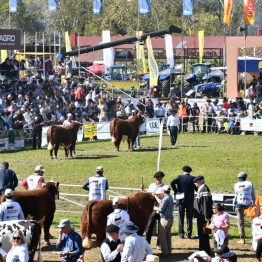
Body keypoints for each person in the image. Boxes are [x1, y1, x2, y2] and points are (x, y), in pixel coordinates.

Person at [170, 165, 195, 239]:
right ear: (190, 171)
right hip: (190, 200)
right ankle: (189, 234)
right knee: (189, 217)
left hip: (181, 200)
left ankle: (181, 234)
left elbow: (172, 183)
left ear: (183, 171)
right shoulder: (193, 178)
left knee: (181, 217)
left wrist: (176, 191)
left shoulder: (179, 177)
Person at [233, 171, 255, 244]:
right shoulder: (250, 183)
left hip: (239, 204)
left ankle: (242, 239)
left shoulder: (236, 185)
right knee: (254, 221)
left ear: (239, 178)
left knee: (240, 222)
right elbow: (253, 194)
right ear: (246, 177)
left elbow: (236, 195)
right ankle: (255, 236)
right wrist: (253, 203)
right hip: (249, 203)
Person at [193, 176, 213, 254]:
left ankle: (204, 250)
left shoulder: (204, 189)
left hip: (203, 215)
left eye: (196, 182)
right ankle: (204, 249)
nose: (195, 184)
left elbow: (205, 204)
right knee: (203, 233)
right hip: (201, 215)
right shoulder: (202, 189)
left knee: (203, 233)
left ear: (200, 181)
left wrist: (207, 216)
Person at [145, 171, 165, 244]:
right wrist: (144, 189)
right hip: (152, 207)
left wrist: (155, 194)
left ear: (161, 178)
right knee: (149, 226)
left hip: (160, 208)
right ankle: (147, 242)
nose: (157, 179)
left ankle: (159, 243)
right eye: (156, 178)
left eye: (159, 178)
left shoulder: (164, 186)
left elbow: (163, 195)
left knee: (161, 228)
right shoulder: (151, 185)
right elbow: (148, 193)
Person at [153, 185, 174, 256]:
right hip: (170, 219)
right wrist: (156, 196)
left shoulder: (165, 199)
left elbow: (161, 209)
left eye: (162, 191)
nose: (161, 192)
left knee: (162, 236)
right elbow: (162, 202)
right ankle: (169, 251)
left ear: (164, 191)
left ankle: (165, 253)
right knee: (168, 236)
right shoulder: (170, 197)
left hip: (164, 219)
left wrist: (154, 208)